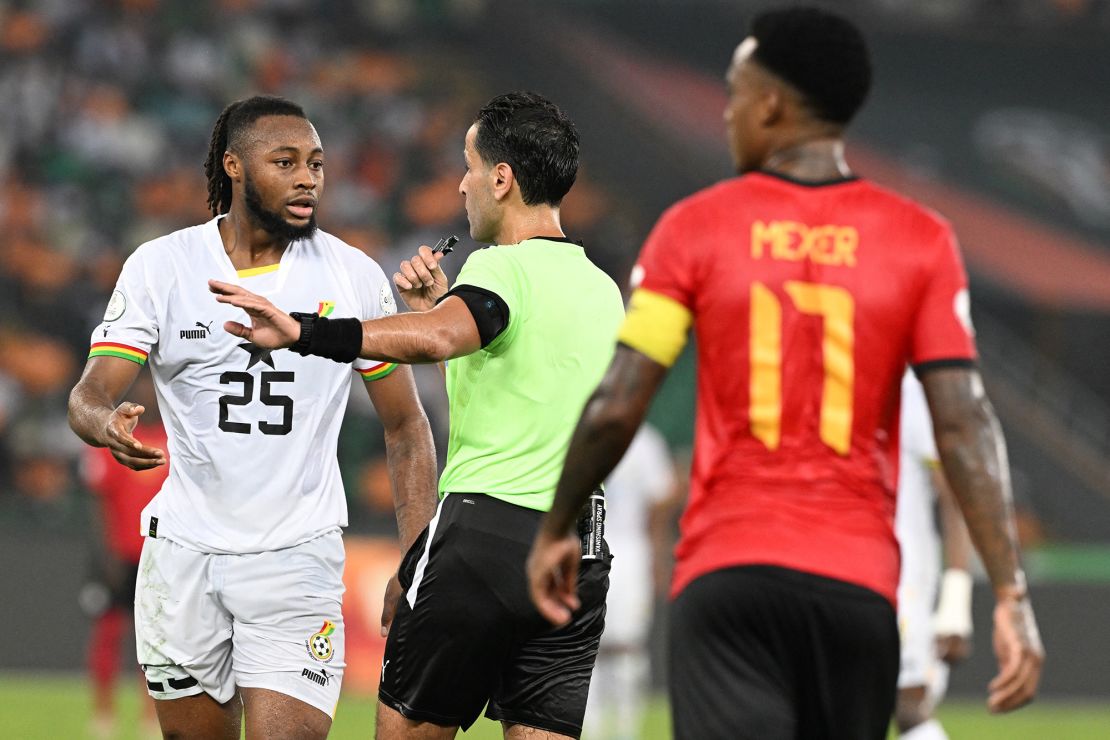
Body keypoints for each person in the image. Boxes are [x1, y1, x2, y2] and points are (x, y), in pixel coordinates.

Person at [525, 7, 1044, 740]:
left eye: (736, 92)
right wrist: (1009, 593)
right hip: (858, 589)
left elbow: (619, 400)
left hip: (730, 574)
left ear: (771, 104)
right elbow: (963, 423)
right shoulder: (920, 240)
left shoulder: (695, 227)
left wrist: (557, 525)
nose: (729, 111)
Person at [208, 91, 624, 740]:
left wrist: (306, 331)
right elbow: (511, 392)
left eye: (467, 164)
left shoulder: (501, 268)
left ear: (501, 178)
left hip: (487, 539)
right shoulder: (602, 290)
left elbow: (436, 339)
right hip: (579, 546)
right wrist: (444, 306)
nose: (461, 184)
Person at [68, 95, 438, 740]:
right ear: (234, 167)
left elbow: (406, 425)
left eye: (317, 164)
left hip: (297, 556)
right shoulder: (162, 267)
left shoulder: (353, 275)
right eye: (286, 161)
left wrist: (416, 558)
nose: (308, 178)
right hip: (183, 556)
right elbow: (88, 393)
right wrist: (102, 422)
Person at [81, 372, 165, 740]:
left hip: (159, 557)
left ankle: (151, 716)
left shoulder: (175, 442)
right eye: (141, 392)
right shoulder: (111, 441)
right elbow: (98, 501)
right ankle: (103, 716)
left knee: (155, 641)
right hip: (118, 556)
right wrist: (105, 553)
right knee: (109, 633)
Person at [582, 422, 679, 740]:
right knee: (586, 644)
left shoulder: (646, 442)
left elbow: (661, 500)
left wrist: (657, 554)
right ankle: (592, 730)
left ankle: (625, 731)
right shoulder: (585, 433)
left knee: (629, 647)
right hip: (589, 549)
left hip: (632, 553)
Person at [895, 371, 975, 740]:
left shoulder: (913, 386)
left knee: (907, 705)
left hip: (903, 580)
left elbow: (955, 493)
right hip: (840, 566)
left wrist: (955, 601)